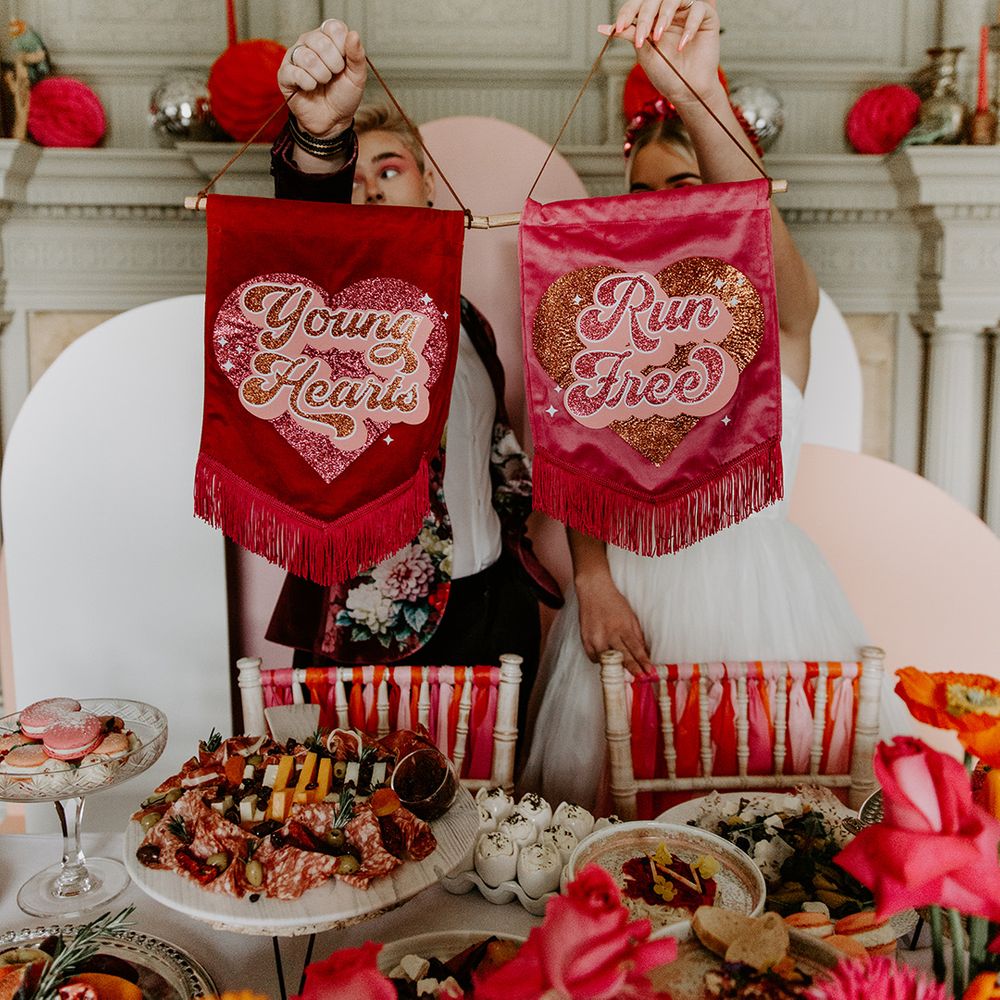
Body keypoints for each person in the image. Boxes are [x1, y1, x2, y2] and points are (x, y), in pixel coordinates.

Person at [522, 0, 894, 810]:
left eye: (685, 185)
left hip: (760, 597)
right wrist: (592, 578)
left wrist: (696, 98)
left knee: (781, 837)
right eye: (643, 192)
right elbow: (575, 449)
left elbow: (755, 227)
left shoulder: (772, 319)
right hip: (633, 596)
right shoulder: (609, 333)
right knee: (629, 853)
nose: (664, 205)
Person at [265, 20, 561, 712]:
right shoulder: (328, 312)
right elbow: (309, 236)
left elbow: (495, 455)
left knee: (493, 814)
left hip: (492, 609)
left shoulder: (471, 320)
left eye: (389, 170)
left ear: (428, 187)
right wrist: (318, 145)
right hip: (373, 621)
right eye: (354, 175)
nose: (369, 188)